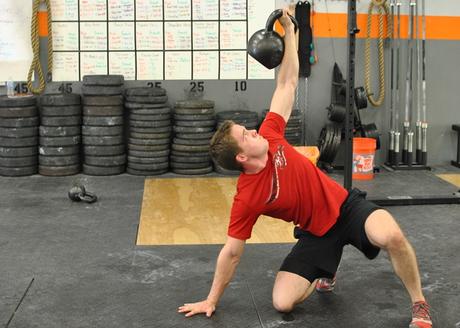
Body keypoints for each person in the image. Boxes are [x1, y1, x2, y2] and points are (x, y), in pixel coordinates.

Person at [178, 8, 432, 328]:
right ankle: (326, 269)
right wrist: (211, 300)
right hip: (315, 232)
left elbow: (286, 83)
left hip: (346, 207)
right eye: (246, 135)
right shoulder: (247, 197)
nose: (253, 130)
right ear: (242, 158)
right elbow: (231, 252)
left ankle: (420, 303)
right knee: (282, 303)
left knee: (392, 235)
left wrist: (291, 31)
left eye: (248, 129)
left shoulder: (270, 133)